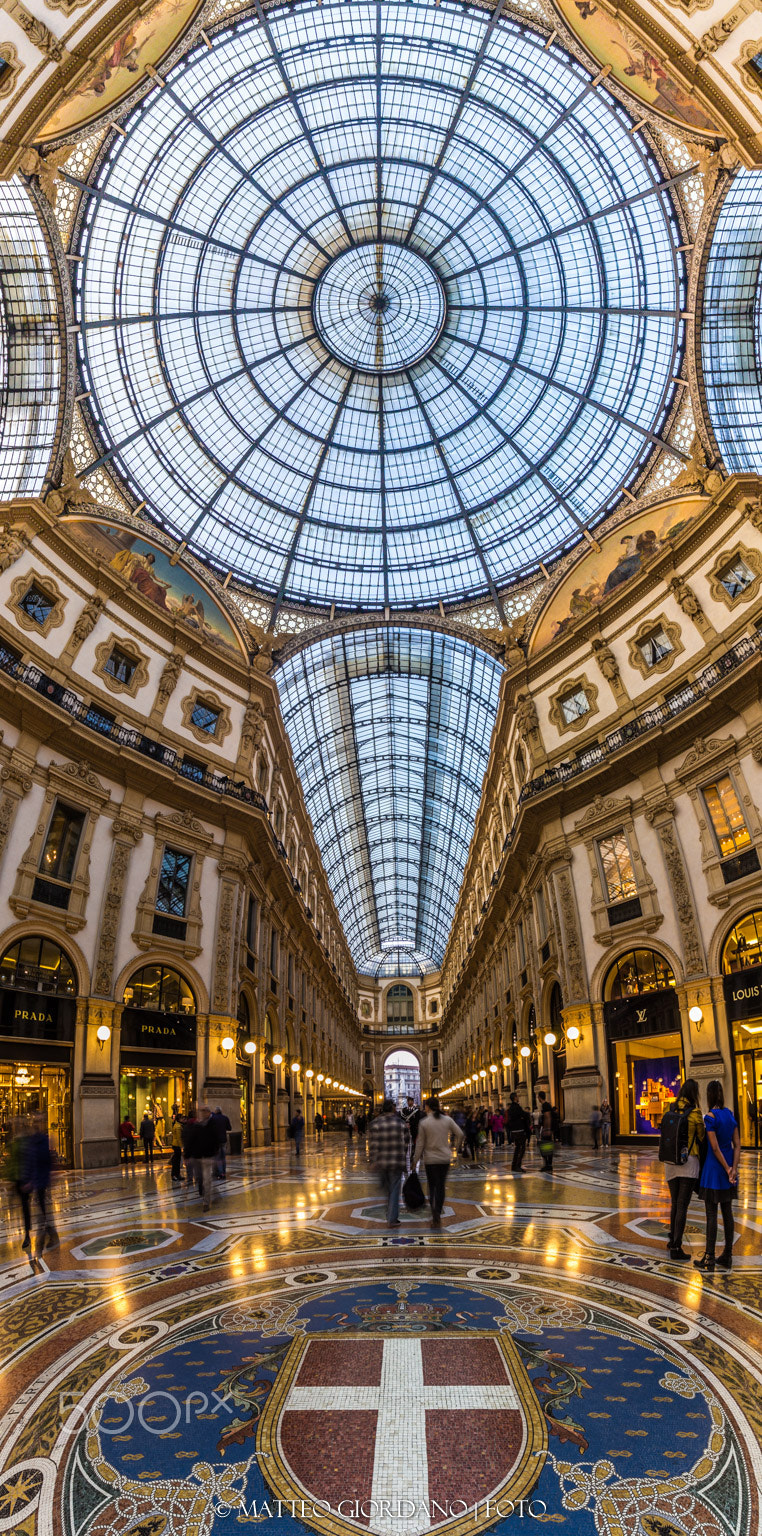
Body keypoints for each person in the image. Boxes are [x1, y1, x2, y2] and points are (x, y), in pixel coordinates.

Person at [695, 1080, 740, 1272]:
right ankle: (727, 1255)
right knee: (727, 1212)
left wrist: (725, 1167)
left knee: (711, 1214)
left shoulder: (710, 1118)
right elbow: (737, 1144)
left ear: (709, 1096)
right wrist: (733, 1168)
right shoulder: (730, 1115)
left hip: (714, 1170)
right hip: (729, 1168)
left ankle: (710, 1257)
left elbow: (713, 1147)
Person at [662, 1078, 705, 1262]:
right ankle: (677, 1247)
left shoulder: (669, 1109)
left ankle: (673, 1239)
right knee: (682, 1205)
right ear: (694, 1094)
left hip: (670, 1162)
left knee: (674, 1203)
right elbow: (701, 1137)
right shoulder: (695, 1113)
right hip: (688, 1163)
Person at [413, 1097, 464, 1226]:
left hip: (430, 1159)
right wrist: (456, 1150)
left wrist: (415, 1160)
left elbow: (420, 1144)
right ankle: (438, 1212)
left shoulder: (424, 1122)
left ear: (428, 1107)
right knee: (440, 1186)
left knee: (432, 1186)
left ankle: (434, 1213)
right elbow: (460, 1134)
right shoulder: (447, 1120)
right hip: (444, 1158)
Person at [22, 1114, 58, 1262]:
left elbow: (45, 1161)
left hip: (40, 1180)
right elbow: (32, 1160)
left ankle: (46, 1238)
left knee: (42, 1209)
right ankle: (48, 1235)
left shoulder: (42, 1140)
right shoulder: (36, 1141)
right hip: (37, 1180)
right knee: (41, 1209)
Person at [368, 1098, 408, 1228]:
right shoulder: (400, 1123)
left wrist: (373, 1161)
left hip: (382, 1162)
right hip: (396, 1161)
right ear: (393, 1108)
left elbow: (373, 1145)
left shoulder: (375, 1123)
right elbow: (407, 1141)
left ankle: (390, 1213)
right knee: (395, 1189)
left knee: (388, 1189)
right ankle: (392, 1218)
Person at [187, 1105, 219, 1211]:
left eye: (205, 1111)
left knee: (206, 1179)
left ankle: (206, 1202)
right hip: (197, 1156)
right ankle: (210, 1192)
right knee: (200, 1178)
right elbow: (190, 1140)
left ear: (209, 1113)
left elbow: (216, 1139)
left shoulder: (212, 1124)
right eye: (201, 1111)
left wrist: (215, 1152)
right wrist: (187, 1155)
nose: (203, 1113)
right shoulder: (196, 1125)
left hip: (208, 1156)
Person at [507, 1093, 528, 1172]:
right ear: (515, 1098)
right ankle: (517, 1166)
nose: (518, 1098)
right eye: (517, 1096)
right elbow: (523, 1115)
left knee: (517, 1148)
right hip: (519, 1130)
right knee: (521, 1148)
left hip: (514, 1131)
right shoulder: (517, 1107)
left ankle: (514, 1165)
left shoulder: (511, 1107)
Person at [210, 1105, 231, 1179]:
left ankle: (220, 1173)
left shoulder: (213, 1118)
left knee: (217, 1157)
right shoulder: (225, 1118)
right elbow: (229, 1128)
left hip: (216, 1141)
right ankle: (223, 1172)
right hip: (224, 1140)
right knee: (223, 1157)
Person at [537, 1092, 555, 1172]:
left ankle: (548, 1165)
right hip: (547, 1129)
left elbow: (548, 1117)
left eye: (538, 1097)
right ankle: (548, 1164)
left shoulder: (545, 1105)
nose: (538, 1099)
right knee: (547, 1146)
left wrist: (547, 1129)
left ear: (540, 1097)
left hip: (546, 1129)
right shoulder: (547, 1105)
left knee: (545, 1146)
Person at [170, 1114, 184, 1183]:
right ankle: (175, 1174)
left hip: (175, 1144)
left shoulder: (176, 1125)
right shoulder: (178, 1126)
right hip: (177, 1145)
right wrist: (181, 1147)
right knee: (176, 1161)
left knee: (177, 1161)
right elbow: (179, 1138)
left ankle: (177, 1174)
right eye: (181, 1118)